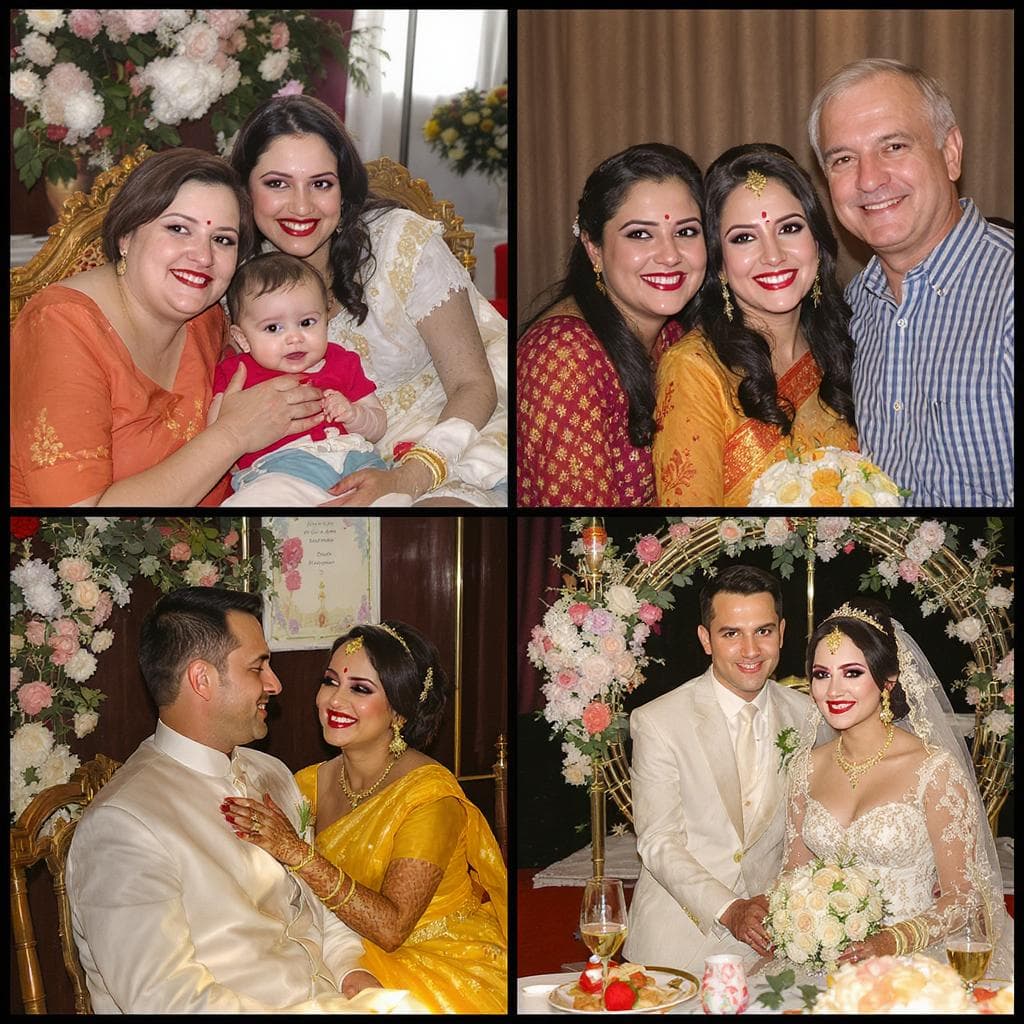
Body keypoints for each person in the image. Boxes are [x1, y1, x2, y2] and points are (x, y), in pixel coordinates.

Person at [65, 587, 380, 1012]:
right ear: (202, 680)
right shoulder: (124, 825)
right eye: (258, 667)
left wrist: (350, 970)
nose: (275, 684)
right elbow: (166, 1001)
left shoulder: (271, 773)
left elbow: (313, 900)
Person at [229, 95, 506, 507]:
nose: (301, 206)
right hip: (309, 465)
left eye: (321, 183)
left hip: (450, 442)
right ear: (246, 192)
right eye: (277, 183)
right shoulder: (233, 274)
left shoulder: (401, 244)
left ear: (343, 192)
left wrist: (408, 477)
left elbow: (473, 385)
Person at [10, 148, 325, 507]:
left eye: (222, 239)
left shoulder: (209, 320)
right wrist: (232, 434)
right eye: (178, 229)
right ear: (126, 235)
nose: (203, 257)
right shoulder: (62, 326)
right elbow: (81, 521)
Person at [220, 621, 508, 1013]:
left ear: (400, 712)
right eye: (330, 681)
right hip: (340, 950)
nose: (334, 701)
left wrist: (297, 853)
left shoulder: (430, 798)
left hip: (435, 961)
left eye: (360, 689)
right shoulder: (306, 785)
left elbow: (392, 929)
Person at [809, 58, 1014, 506]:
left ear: (951, 152)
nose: (868, 179)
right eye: (843, 159)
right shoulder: (847, 311)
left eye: (894, 146)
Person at [779, 600, 1010, 976]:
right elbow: (792, 877)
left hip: (912, 963)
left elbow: (964, 895)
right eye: (821, 674)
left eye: (852, 673)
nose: (833, 690)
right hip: (821, 963)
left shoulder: (933, 770)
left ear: (887, 681)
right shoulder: (805, 767)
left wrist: (892, 940)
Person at [625, 566, 812, 974]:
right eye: (731, 634)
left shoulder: (810, 717)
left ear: (782, 632)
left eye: (763, 631)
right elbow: (658, 841)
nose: (751, 650)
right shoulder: (658, 720)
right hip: (678, 943)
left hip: (780, 944)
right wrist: (729, 909)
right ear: (706, 639)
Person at [653, 144, 858, 506]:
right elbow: (692, 537)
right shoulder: (695, 370)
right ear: (718, 264)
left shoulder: (847, 341)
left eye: (790, 228)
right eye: (744, 238)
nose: (774, 255)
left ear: (818, 242)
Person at [517, 143, 707, 507]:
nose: (670, 255)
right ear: (593, 248)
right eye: (640, 234)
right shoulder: (562, 358)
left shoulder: (673, 335)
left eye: (686, 232)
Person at [213, 252, 388, 505]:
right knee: (251, 502)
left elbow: (378, 426)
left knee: (392, 499)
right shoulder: (237, 372)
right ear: (241, 338)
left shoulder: (342, 361)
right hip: (280, 469)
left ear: (325, 320)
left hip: (353, 460)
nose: (294, 337)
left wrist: (354, 415)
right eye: (273, 328)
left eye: (307, 322)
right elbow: (216, 436)